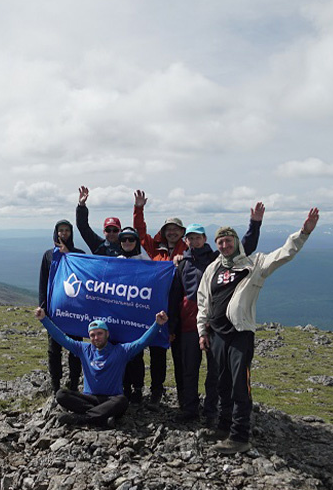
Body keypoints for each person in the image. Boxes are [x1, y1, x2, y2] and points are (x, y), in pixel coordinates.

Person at [196, 208, 320, 454]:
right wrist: (202, 331)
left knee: (239, 385)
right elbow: (203, 300)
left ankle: (239, 437)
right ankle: (223, 427)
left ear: (236, 242)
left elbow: (284, 254)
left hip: (240, 333)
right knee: (221, 384)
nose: (224, 245)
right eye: (220, 242)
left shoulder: (255, 264)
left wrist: (304, 232)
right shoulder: (213, 268)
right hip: (216, 334)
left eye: (228, 241)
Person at [168, 205, 264, 424]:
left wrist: (255, 224)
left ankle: (211, 412)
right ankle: (189, 408)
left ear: (204, 239)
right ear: (186, 241)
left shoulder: (215, 259)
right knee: (189, 371)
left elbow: (245, 247)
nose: (194, 241)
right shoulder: (182, 264)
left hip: (213, 327)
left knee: (214, 373)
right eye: (190, 238)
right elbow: (175, 297)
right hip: (188, 326)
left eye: (197, 237)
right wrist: (172, 327)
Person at [36, 306, 169, 427]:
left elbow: (142, 342)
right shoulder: (83, 349)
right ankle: (102, 417)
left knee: (122, 401)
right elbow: (62, 338)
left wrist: (157, 324)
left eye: (99, 333)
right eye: (92, 335)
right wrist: (44, 319)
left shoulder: (121, 351)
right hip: (89, 398)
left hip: (111, 399)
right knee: (61, 394)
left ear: (107, 334)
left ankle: (81, 419)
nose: (96, 337)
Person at [130, 190, 191, 405]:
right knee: (144, 347)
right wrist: (138, 208)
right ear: (163, 232)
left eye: (176, 230)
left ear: (182, 232)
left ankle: (158, 390)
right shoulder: (153, 246)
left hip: (173, 308)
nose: (172, 233)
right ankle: (139, 388)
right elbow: (138, 232)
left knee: (159, 351)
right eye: (169, 229)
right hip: (148, 305)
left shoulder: (189, 248)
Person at [38, 220, 85, 393]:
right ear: (56, 233)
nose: (63, 233)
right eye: (60, 230)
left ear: (71, 233)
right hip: (54, 310)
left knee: (75, 348)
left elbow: (84, 276)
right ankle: (55, 384)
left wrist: (68, 255)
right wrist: (42, 306)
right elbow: (43, 282)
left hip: (74, 311)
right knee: (54, 350)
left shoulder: (79, 254)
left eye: (67, 230)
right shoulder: (48, 255)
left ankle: (73, 383)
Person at [114, 226, 149, 403]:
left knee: (136, 354)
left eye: (131, 239)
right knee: (120, 353)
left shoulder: (145, 261)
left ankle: (137, 388)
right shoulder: (115, 261)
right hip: (118, 316)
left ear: (137, 242)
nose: (127, 242)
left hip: (136, 316)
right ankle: (123, 387)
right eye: (124, 239)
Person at [75, 186, 122, 257]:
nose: (111, 233)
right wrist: (81, 205)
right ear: (104, 231)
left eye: (115, 230)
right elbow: (83, 227)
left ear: (120, 231)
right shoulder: (97, 245)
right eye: (108, 230)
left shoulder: (128, 246)